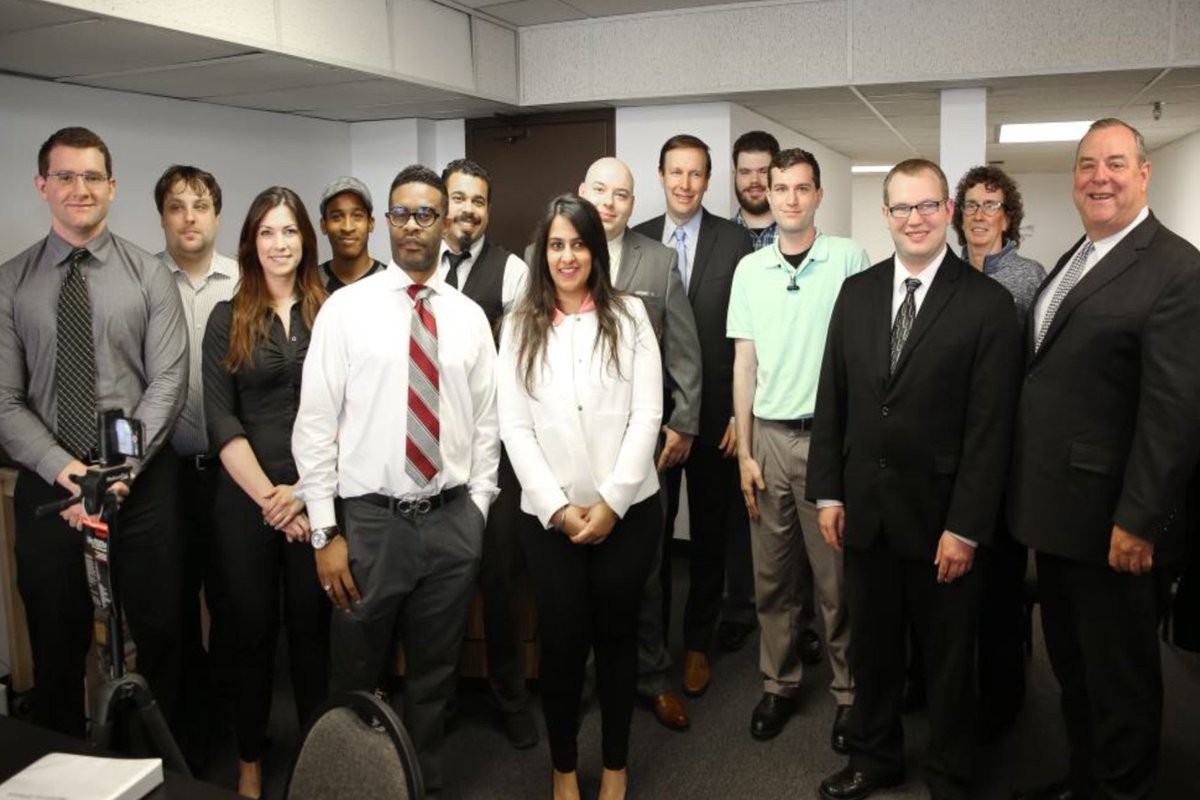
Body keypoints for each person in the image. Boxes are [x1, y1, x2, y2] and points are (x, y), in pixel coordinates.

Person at [807, 158, 1021, 800]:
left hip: (942, 522)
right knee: (872, 649)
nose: (915, 219)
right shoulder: (859, 292)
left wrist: (966, 527)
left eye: (928, 206)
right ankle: (875, 757)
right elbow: (834, 398)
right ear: (886, 216)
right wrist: (830, 490)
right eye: (902, 208)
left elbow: (992, 430)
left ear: (948, 212)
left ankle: (950, 774)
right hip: (867, 511)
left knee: (948, 659)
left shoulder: (988, 303)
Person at [293, 165, 499, 796]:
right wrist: (326, 531)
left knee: (435, 677)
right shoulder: (345, 311)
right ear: (386, 223)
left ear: (445, 224)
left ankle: (422, 787)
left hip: (450, 522)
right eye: (401, 215)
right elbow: (315, 426)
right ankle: (351, 787)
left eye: (426, 215)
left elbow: (488, 425)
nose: (413, 227)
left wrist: (478, 512)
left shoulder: (466, 317)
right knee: (355, 675)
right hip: (371, 525)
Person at [1010, 119, 1200, 800]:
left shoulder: (1176, 268)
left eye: (1116, 163)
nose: (1100, 177)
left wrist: (1140, 519)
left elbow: (1174, 412)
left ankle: (1121, 789)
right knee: (1074, 669)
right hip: (1060, 520)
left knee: (1121, 680)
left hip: (1114, 526)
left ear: (1144, 173)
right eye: (1087, 164)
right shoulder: (1081, 255)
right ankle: (1086, 779)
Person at [0, 126, 188, 738]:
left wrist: (117, 473)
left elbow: (167, 383)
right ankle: (60, 770)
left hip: (140, 489)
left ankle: (164, 765)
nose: (79, 189)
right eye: (64, 176)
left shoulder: (147, 276)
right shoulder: (9, 284)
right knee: (56, 646)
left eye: (91, 177)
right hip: (50, 489)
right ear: (42, 186)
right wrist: (68, 471)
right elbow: (3, 399)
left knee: (162, 635)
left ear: (111, 187)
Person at [498, 193, 662, 800]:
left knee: (618, 641)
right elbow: (512, 426)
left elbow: (648, 415)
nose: (567, 256)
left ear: (596, 250)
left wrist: (614, 502)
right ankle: (563, 767)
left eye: (579, 244)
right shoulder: (518, 323)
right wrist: (559, 508)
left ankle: (615, 767)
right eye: (557, 245)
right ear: (543, 252)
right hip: (550, 522)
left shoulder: (631, 317)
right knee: (563, 646)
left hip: (628, 514)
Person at [728, 148, 866, 743]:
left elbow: (862, 358)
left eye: (800, 188)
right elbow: (744, 363)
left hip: (830, 441)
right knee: (773, 579)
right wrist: (745, 451)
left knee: (835, 580)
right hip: (770, 440)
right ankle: (778, 685)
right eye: (778, 187)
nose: (788, 198)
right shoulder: (749, 270)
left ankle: (848, 692)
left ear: (818, 195)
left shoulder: (848, 258)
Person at [202, 186, 330, 798]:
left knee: (312, 630)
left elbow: (350, 414)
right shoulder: (226, 317)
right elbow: (221, 422)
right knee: (250, 632)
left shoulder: (332, 311)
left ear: (306, 239)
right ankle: (250, 761)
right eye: (266, 233)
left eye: (289, 231)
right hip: (247, 501)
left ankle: (316, 760)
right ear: (251, 243)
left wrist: (304, 492)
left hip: (318, 497)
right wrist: (272, 501)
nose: (279, 244)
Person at [578, 156, 702, 732]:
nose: (609, 202)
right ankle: (582, 678)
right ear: (582, 192)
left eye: (620, 194)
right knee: (576, 569)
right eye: (599, 190)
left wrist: (684, 423)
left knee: (646, 571)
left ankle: (652, 677)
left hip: (643, 446)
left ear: (633, 202)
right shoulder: (551, 254)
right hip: (573, 448)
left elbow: (683, 350)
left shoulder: (659, 259)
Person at [632, 134, 753, 704]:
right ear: (660, 175)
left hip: (714, 418)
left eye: (696, 174)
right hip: (647, 420)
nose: (685, 184)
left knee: (709, 536)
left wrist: (737, 411)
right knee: (650, 540)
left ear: (709, 180)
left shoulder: (737, 242)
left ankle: (698, 643)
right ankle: (651, 655)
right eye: (675, 172)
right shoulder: (636, 242)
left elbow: (752, 333)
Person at [437, 158, 536, 749]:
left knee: (500, 580)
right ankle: (440, 699)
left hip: (495, 451)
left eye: (478, 200)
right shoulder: (415, 271)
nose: (467, 209)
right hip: (431, 456)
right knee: (442, 585)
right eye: (458, 198)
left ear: (488, 210)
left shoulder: (513, 271)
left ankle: (510, 697)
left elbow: (519, 360)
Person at [950, 164, 1046, 742]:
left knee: (1002, 588)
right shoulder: (949, 273)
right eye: (971, 206)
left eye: (991, 206)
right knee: (953, 584)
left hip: (1005, 455)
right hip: (950, 452)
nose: (980, 216)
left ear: (1008, 216)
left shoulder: (1029, 279)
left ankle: (1003, 702)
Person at [154, 164, 240, 764]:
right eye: (178, 206)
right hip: (164, 474)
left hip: (234, 471)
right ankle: (185, 731)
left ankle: (237, 724)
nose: (190, 217)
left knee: (234, 599)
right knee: (172, 602)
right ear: (163, 215)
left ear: (217, 215)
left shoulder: (242, 283)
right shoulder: (141, 280)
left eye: (201, 206)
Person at [317, 176, 386, 291]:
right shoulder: (310, 284)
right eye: (337, 217)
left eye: (357, 216)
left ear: (370, 223)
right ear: (323, 225)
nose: (348, 227)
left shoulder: (391, 284)